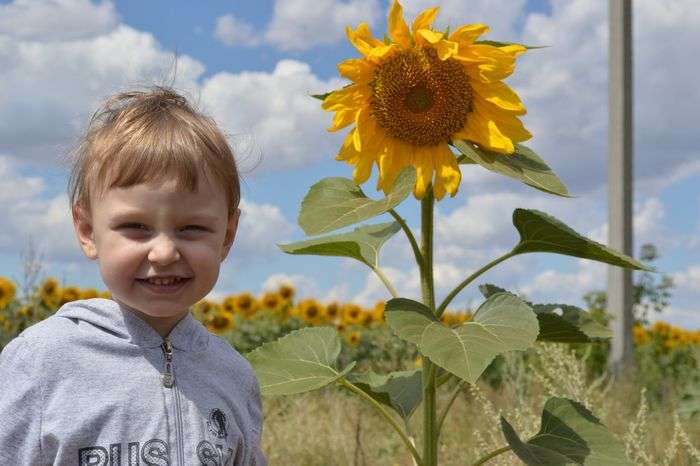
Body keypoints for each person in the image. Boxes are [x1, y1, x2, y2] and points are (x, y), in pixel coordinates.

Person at [0, 86, 267, 466]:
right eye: (136, 226)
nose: (163, 252)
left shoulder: (233, 377)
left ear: (227, 235)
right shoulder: (42, 363)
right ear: (89, 230)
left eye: (192, 228)